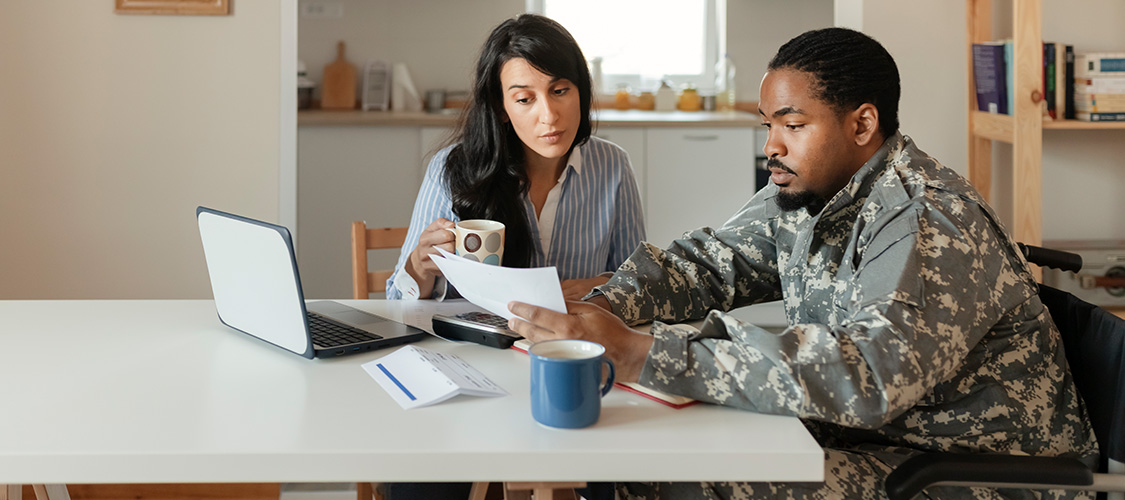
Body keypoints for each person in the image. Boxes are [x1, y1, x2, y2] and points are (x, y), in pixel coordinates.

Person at [507, 27, 1098, 499]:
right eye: (769, 126)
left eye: (792, 125)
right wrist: (603, 308)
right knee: (647, 452)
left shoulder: (928, 219)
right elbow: (712, 262)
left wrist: (639, 352)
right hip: (876, 438)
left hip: (962, 470)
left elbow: (867, 376)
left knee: (680, 474)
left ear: (862, 124)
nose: (771, 145)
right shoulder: (811, 186)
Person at [385, 13, 645, 303]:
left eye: (560, 91)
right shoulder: (452, 169)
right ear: (501, 108)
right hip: (478, 346)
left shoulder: (613, 166)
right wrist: (420, 269)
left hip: (574, 345)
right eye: (524, 99)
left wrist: (606, 287)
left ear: (581, 92)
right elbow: (396, 301)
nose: (549, 116)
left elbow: (638, 281)